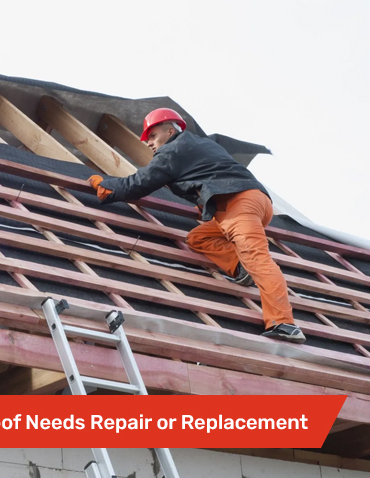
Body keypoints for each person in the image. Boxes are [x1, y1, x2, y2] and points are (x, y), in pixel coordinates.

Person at [88, 108, 305, 344]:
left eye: (152, 136)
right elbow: (211, 172)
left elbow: (140, 183)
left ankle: (284, 323)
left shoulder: (172, 150)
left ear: (170, 130)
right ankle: (240, 267)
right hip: (253, 202)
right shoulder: (201, 145)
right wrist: (205, 204)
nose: (149, 143)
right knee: (199, 238)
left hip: (237, 204)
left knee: (258, 259)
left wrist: (109, 187)